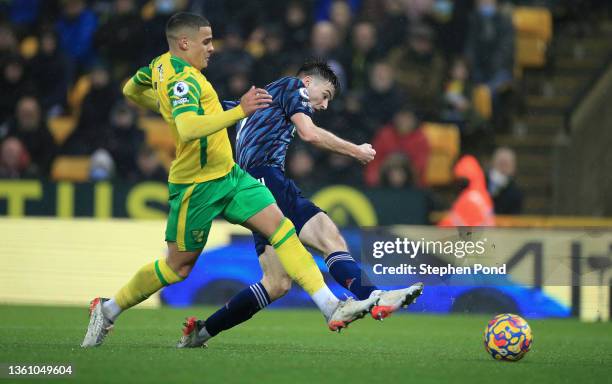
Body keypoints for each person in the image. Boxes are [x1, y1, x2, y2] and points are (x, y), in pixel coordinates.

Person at [81, 12, 377, 348]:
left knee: (282, 229)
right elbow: (189, 129)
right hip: (197, 185)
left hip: (231, 175)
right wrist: (241, 110)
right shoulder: (183, 82)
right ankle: (107, 309)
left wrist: (164, 106)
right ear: (184, 43)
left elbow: (131, 89)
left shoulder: (160, 67)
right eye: (205, 42)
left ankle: (329, 306)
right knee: (177, 268)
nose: (212, 48)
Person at [178, 60, 424, 348]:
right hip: (264, 177)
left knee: (277, 283)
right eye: (326, 95)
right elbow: (309, 133)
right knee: (327, 234)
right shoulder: (293, 86)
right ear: (308, 82)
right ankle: (372, 295)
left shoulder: (255, 102)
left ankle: (203, 331)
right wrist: (355, 150)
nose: (324, 105)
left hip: (248, 189)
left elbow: (210, 114)